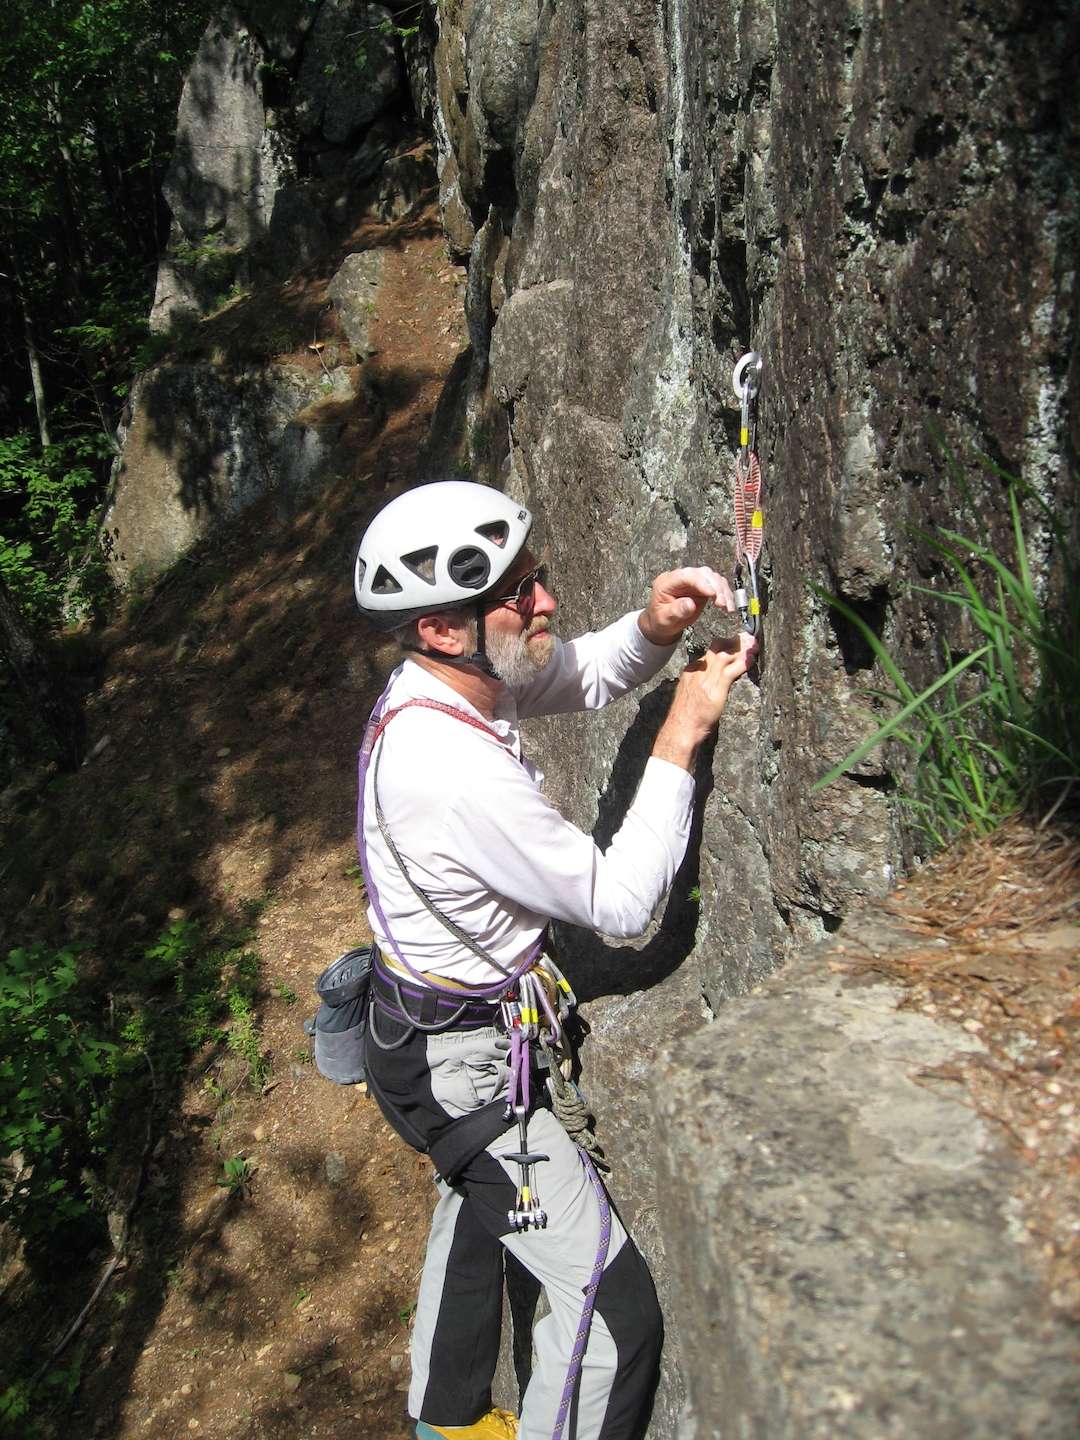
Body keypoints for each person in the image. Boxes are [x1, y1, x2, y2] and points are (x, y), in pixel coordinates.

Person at [352, 481, 757, 1440]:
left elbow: (569, 672)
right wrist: (685, 726)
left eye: (536, 577)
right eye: (519, 593)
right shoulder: (452, 774)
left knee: (476, 1200)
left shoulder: (446, 684)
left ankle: (443, 1424)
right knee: (613, 1316)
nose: (545, 603)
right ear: (445, 629)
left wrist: (654, 631)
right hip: (463, 1069)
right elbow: (621, 903)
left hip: (430, 1044)